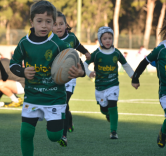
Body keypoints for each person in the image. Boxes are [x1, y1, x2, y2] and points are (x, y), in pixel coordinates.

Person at [9, 1, 85, 155]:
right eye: (40, 21)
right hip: (32, 96)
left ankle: (58, 130)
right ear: (32, 22)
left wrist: (81, 72)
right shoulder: (24, 43)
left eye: (48, 22)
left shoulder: (57, 43)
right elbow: (13, 64)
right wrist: (23, 71)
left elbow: (76, 59)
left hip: (54, 97)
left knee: (54, 136)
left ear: (53, 22)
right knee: (26, 133)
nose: (44, 25)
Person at [84, 26, 134, 139]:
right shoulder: (96, 53)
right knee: (104, 109)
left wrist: (133, 77)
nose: (108, 40)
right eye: (105, 38)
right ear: (100, 39)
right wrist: (88, 72)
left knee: (113, 105)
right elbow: (84, 64)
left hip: (113, 85)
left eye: (110, 38)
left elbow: (125, 65)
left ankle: (113, 132)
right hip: (100, 87)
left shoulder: (116, 53)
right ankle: (106, 114)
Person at [52, 11, 91, 147]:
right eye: (55, 24)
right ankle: (69, 120)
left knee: (63, 103)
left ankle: (63, 136)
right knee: (63, 105)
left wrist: (85, 52)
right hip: (56, 78)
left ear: (66, 25)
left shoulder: (71, 38)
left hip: (71, 77)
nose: (58, 27)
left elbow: (78, 46)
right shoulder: (50, 40)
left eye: (61, 24)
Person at [131, 24, 166, 148]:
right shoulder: (161, 49)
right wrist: (135, 78)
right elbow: (144, 62)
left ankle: (163, 130)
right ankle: (163, 132)